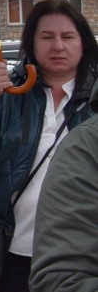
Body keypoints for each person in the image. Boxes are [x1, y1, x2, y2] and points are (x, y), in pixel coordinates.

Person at [0, 0, 97, 292]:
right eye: (47, 37)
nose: (58, 46)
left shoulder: (94, 102)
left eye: (68, 36)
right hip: (14, 251)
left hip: (82, 255)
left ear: (83, 43)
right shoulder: (10, 91)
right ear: (31, 44)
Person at [29, 84, 98, 292]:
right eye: (47, 47)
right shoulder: (87, 142)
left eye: (70, 46)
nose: (59, 49)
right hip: (15, 242)